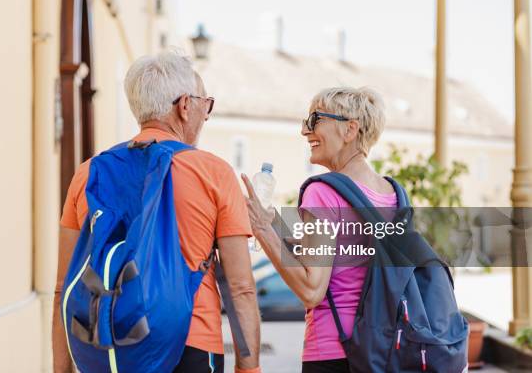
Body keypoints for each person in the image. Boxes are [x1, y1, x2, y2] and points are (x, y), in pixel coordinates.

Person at [53, 51, 262, 373]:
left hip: (105, 348)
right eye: (205, 104)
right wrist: (249, 368)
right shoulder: (213, 172)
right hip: (190, 341)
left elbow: (64, 286)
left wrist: (62, 369)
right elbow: (241, 288)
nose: (206, 115)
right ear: (184, 106)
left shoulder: (88, 174)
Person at [241, 87, 396, 373]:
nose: (305, 131)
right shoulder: (391, 193)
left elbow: (312, 289)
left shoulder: (323, 192)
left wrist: (262, 230)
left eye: (315, 120)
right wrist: (275, 221)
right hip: (383, 351)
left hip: (333, 351)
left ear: (350, 130)